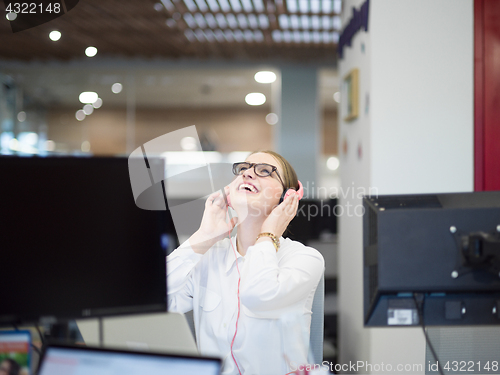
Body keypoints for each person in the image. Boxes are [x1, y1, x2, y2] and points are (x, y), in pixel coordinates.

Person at [167, 150, 325, 375]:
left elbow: (257, 294)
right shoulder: (209, 256)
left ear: (286, 198)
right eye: (244, 168)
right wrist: (202, 237)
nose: (248, 173)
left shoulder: (305, 259)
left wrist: (268, 234)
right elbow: (154, 299)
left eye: (264, 171)